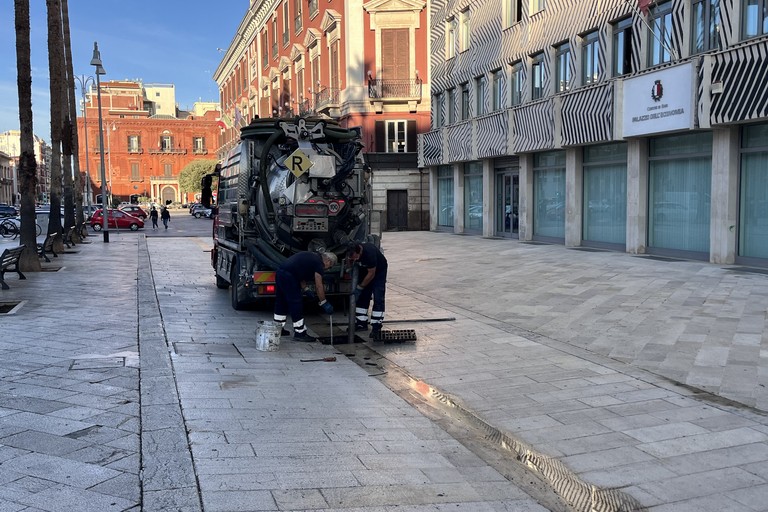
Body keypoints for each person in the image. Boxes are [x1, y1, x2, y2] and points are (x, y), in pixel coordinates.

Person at [273, 251, 337, 341]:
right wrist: (324, 302)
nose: (327, 270)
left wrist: (306, 289)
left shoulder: (312, 256)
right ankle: (300, 333)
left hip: (280, 273)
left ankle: (278, 328)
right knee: (296, 303)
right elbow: (319, 285)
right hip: (289, 277)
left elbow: (300, 273)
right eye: (329, 267)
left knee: (281, 302)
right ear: (328, 261)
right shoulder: (319, 264)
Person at [346, 241, 387, 337]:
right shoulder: (351, 250)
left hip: (378, 272)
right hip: (365, 270)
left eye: (356, 257)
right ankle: (361, 323)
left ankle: (376, 326)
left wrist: (360, 287)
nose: (355, 259)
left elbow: (371, 273)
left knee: (378, 296)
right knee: (363, 297)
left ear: (359, 251)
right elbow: (348, 259)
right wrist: (349, 268)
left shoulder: (369, 253)